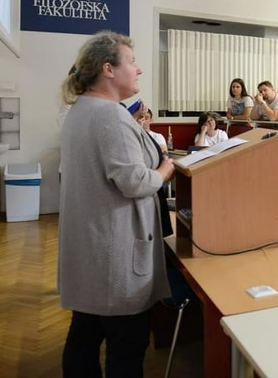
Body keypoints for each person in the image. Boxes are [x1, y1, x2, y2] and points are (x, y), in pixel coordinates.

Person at [59, 32, 175, 377]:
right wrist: (165, 170)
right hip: (115, 253)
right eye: (132, 62)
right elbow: (134, 181)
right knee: (125, 347)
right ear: (108, 69)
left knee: (85, 336)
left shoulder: (82, 109)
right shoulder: (110, 116)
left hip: (92, 247)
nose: (138, 70)